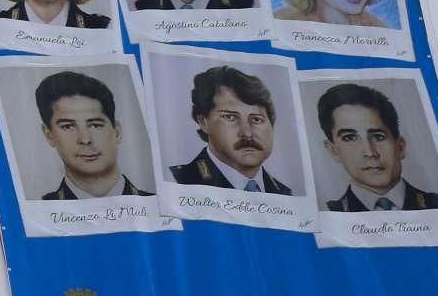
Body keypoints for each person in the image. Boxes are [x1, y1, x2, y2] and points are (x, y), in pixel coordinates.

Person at [316, 82, 438, 211]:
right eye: (349, 138)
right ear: (333, 150)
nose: (370, 152)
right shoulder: (328, 212)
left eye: (378, 137)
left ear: (400, 147)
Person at [169, 65, 292, 193]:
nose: (247, 133)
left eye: (256, 119)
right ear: (203, 122)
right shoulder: (177, 182)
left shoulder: (286, 194)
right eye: (230, 117)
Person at [35, 69, 152, 199]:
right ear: (49, 135)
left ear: (117, 132)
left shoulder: (156, 203)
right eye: (68, 126)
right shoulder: (40, 208)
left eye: (95, 125)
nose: (85, 139)